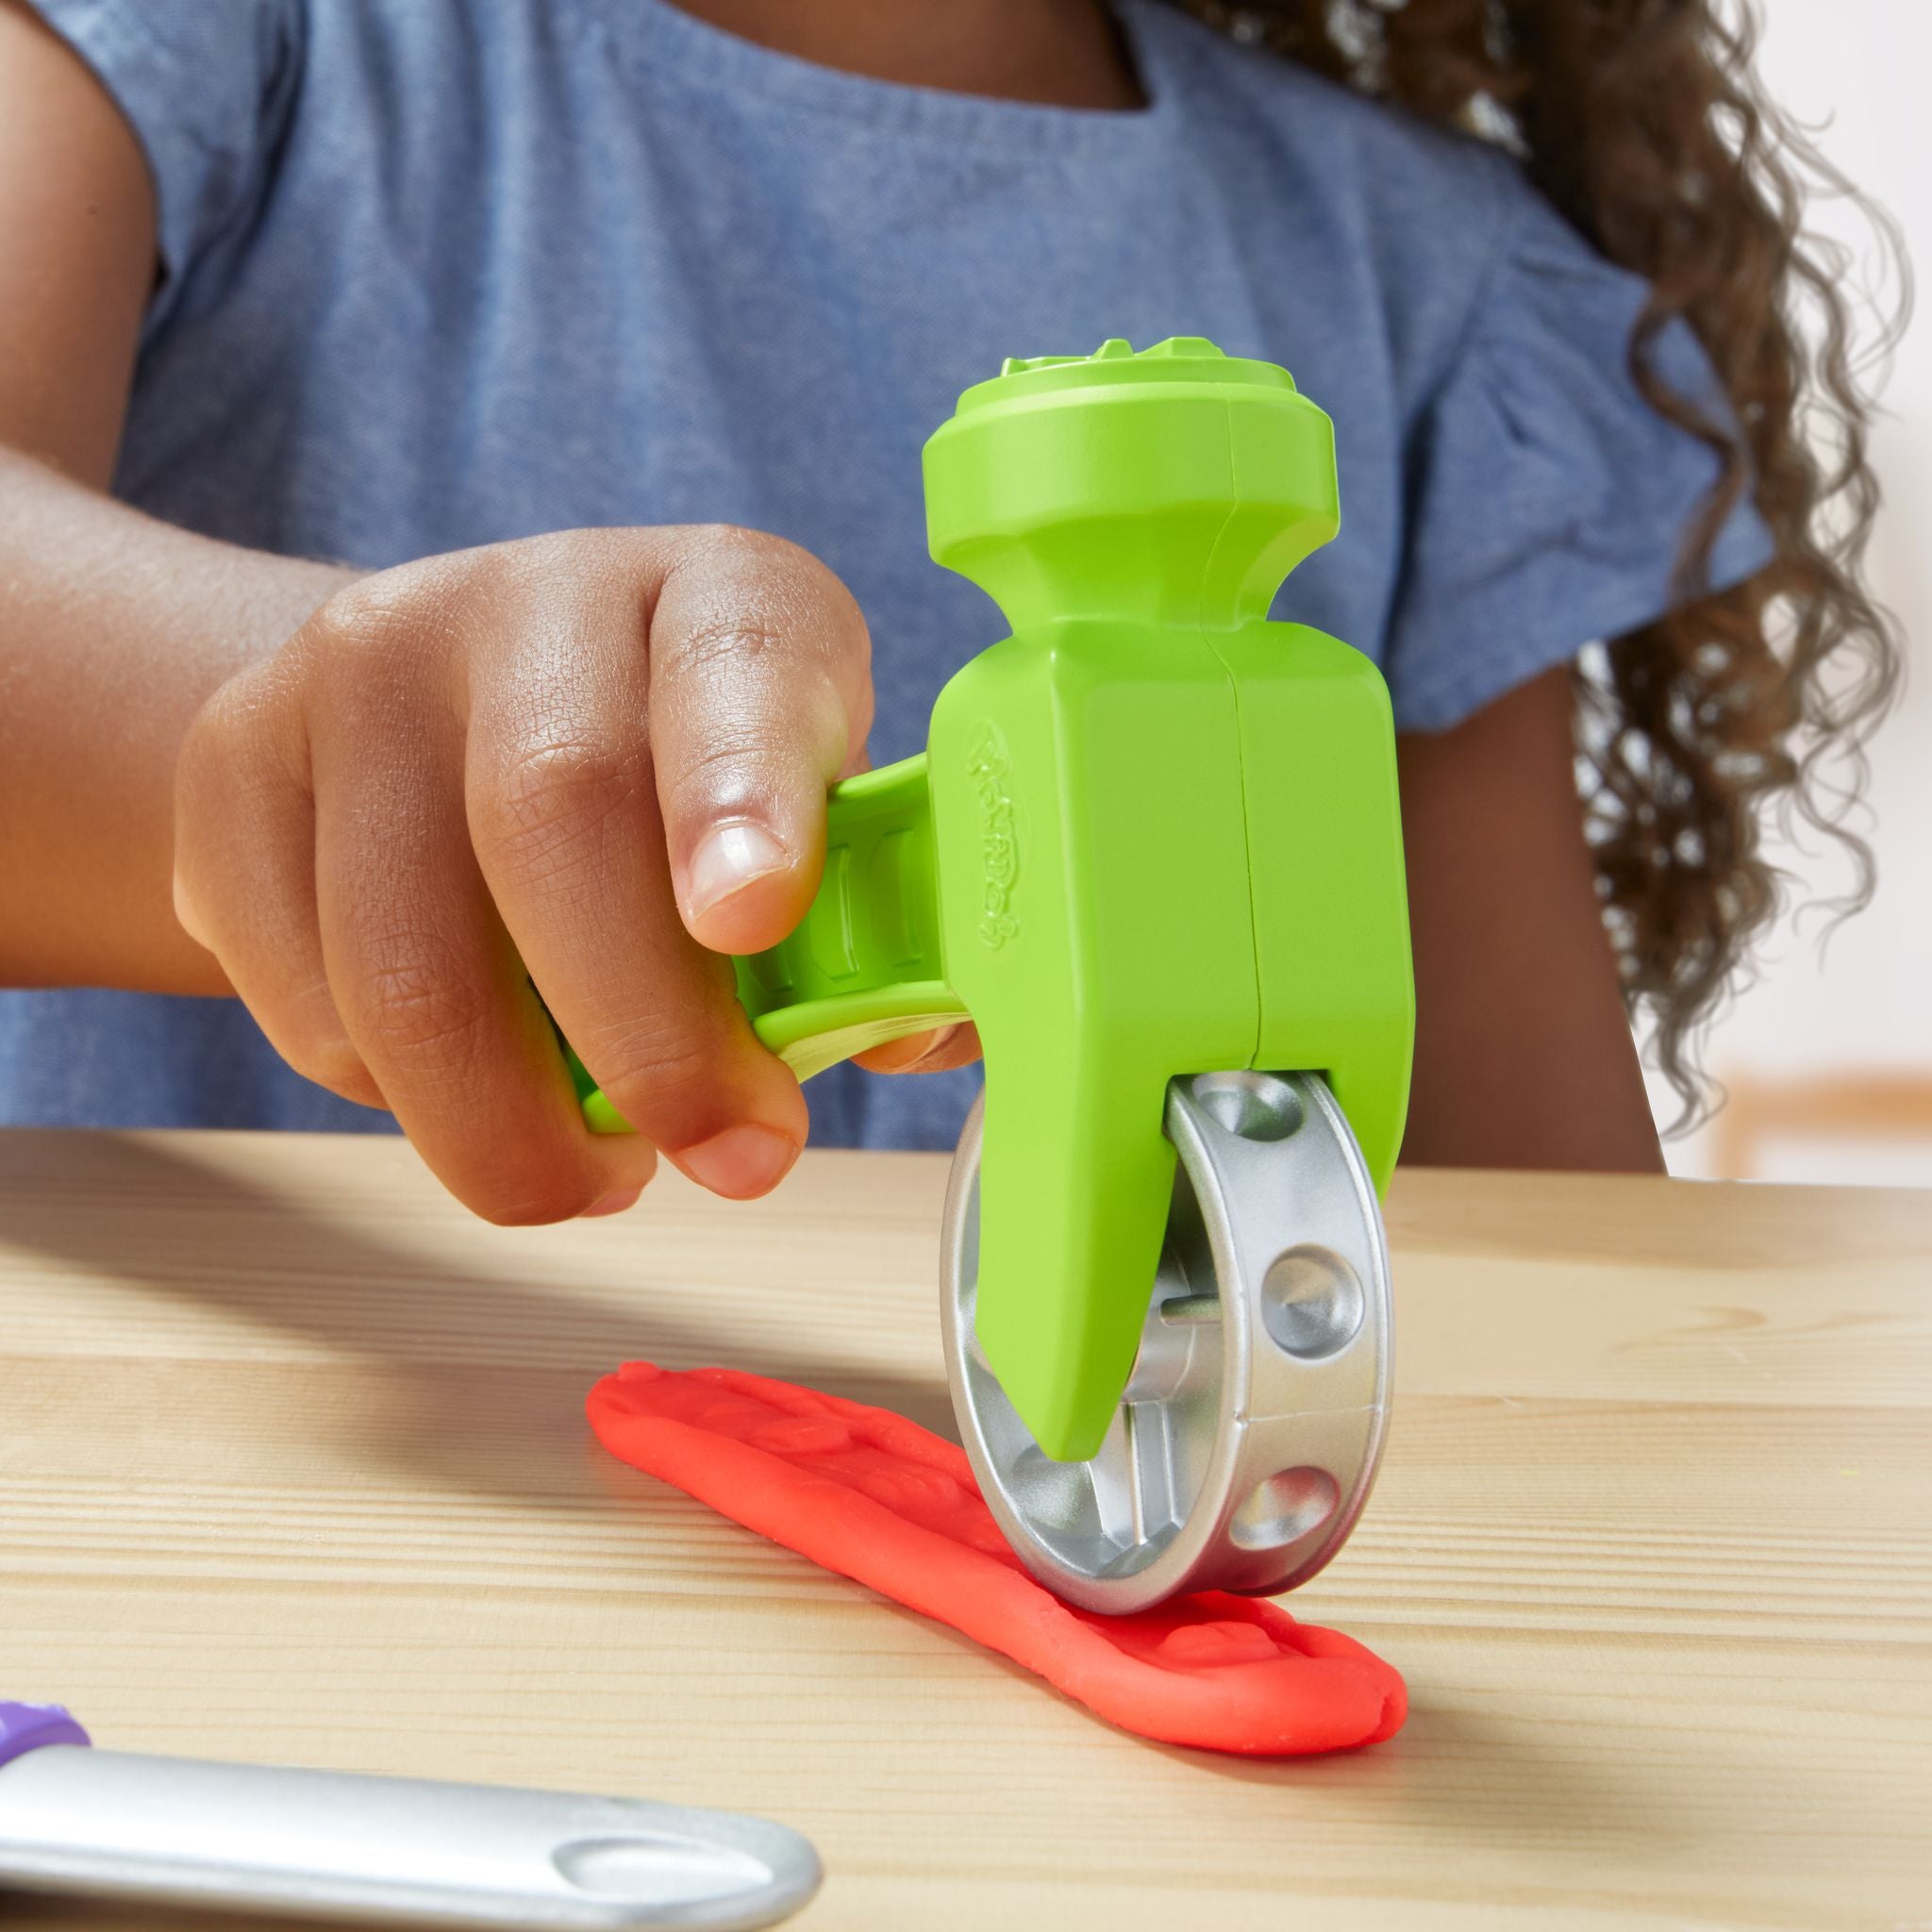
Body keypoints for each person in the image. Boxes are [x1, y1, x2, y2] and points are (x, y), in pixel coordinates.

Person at [0, 0, 1896, 1223]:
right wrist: (291, 747)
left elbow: (1541, 1253)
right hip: (254, 1589)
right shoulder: (223, 39)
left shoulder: (1420, 292)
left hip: (1070, 1700)